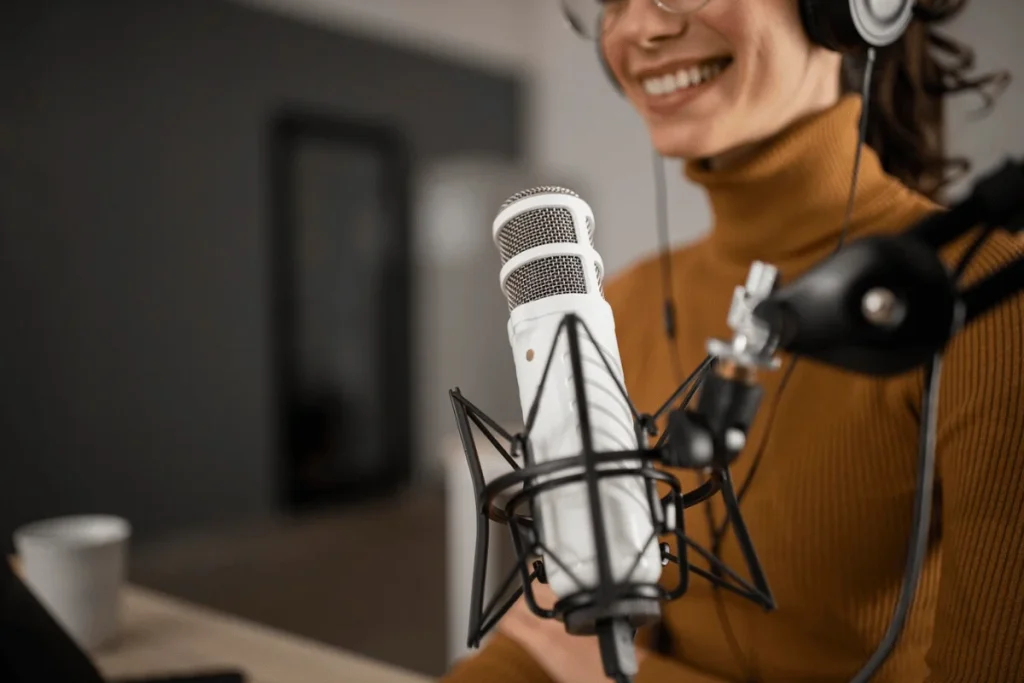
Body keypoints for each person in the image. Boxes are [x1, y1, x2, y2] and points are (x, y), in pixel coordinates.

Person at [442, 0, 1024, 681]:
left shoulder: (988, 302)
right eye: (610, 0)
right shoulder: (619, 303)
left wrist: (617, 678)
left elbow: (585, 664)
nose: (637, 29)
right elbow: (553, 640)